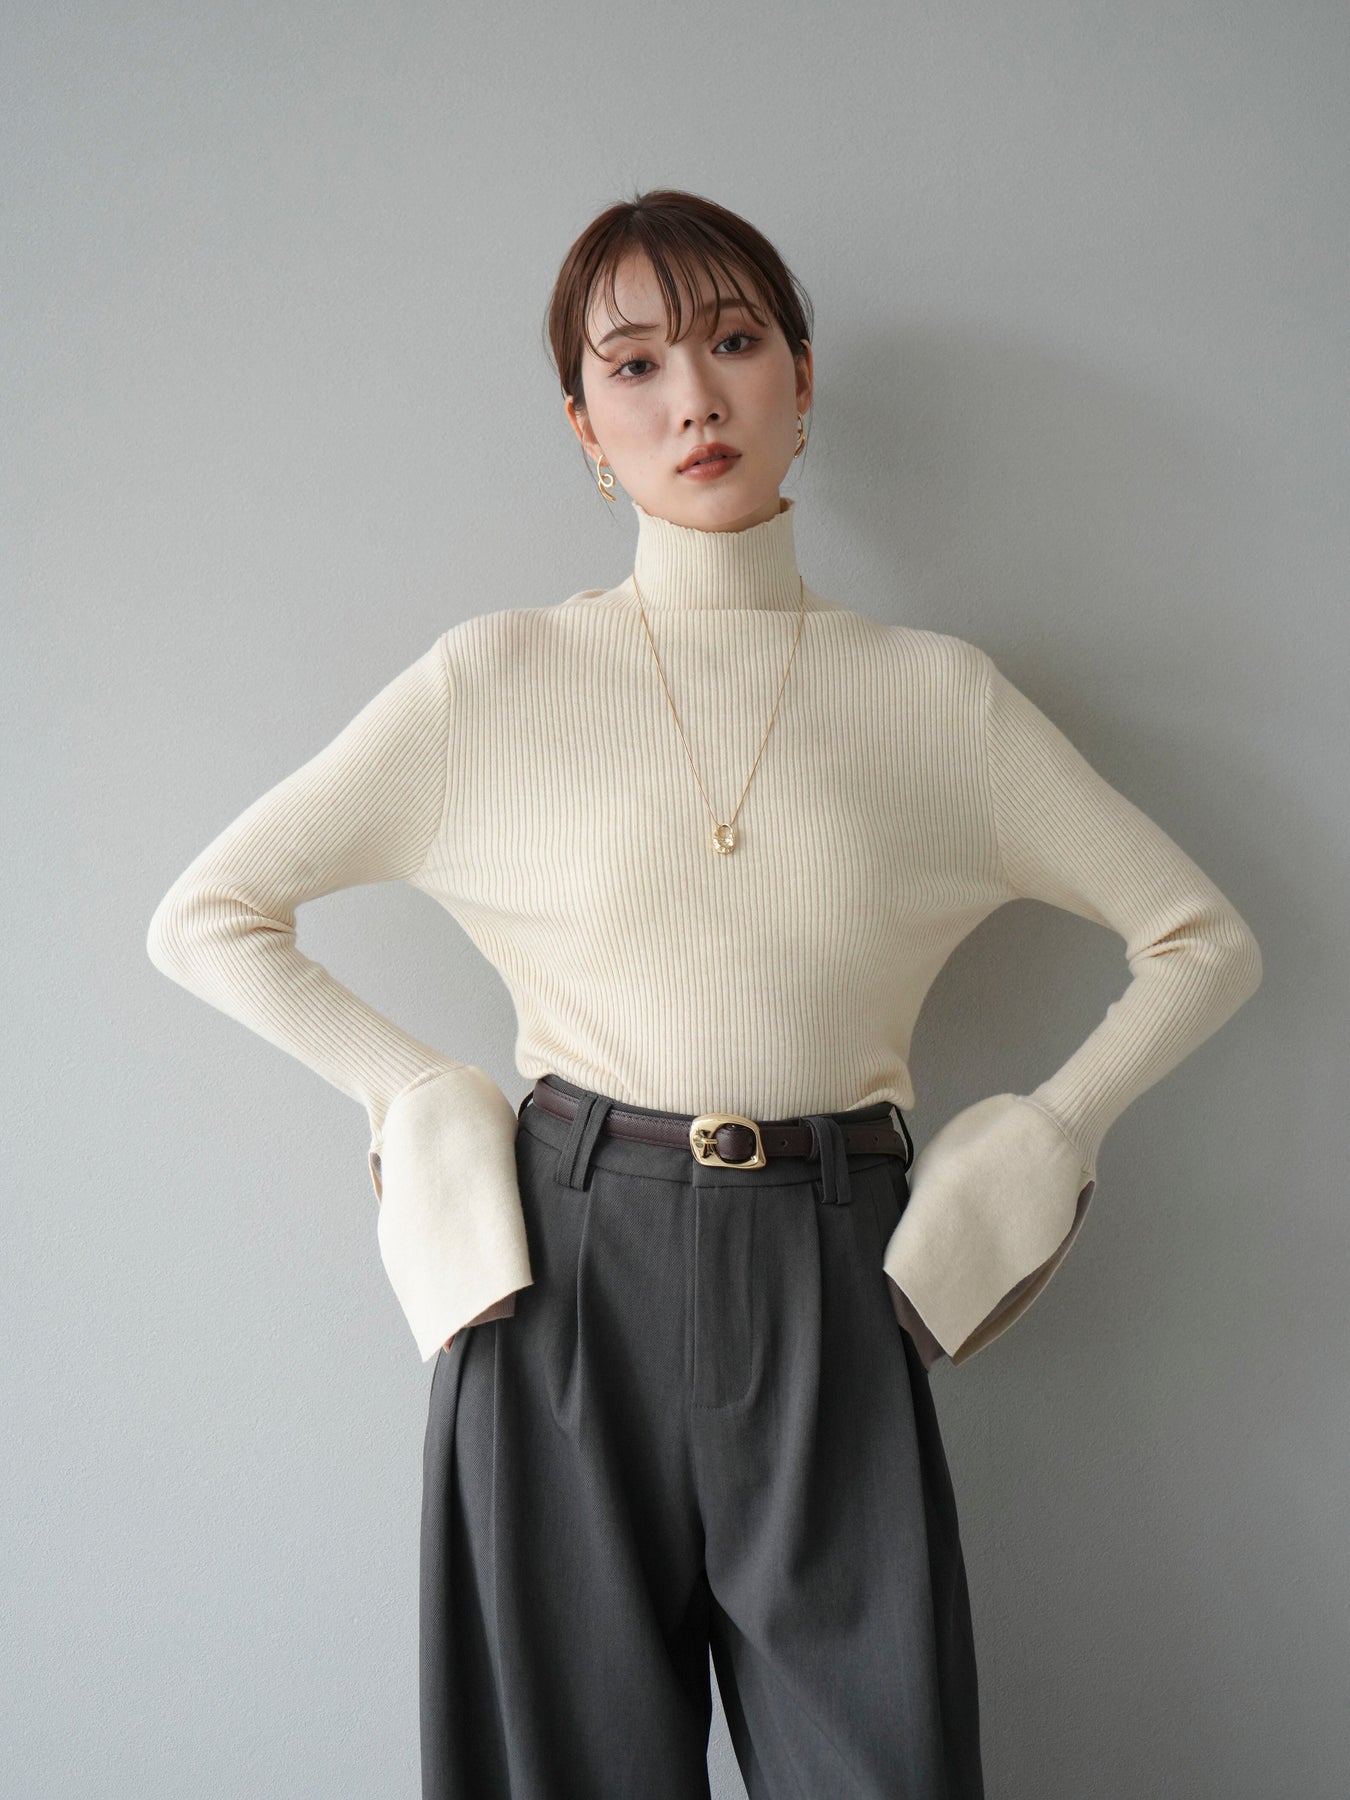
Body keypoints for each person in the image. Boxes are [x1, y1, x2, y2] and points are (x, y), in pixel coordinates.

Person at [146, 188, 1263, 1799]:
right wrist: (416, 1094)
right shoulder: (495, 680)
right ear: (584, 428)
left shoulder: (936, 699)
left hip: (835, 1267)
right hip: (559, 1277)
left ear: (800, 381)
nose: (692, 400)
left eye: (733, 343)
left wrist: (1039, 1137)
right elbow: (209, 915)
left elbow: (1200, 939)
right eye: (634, 365)